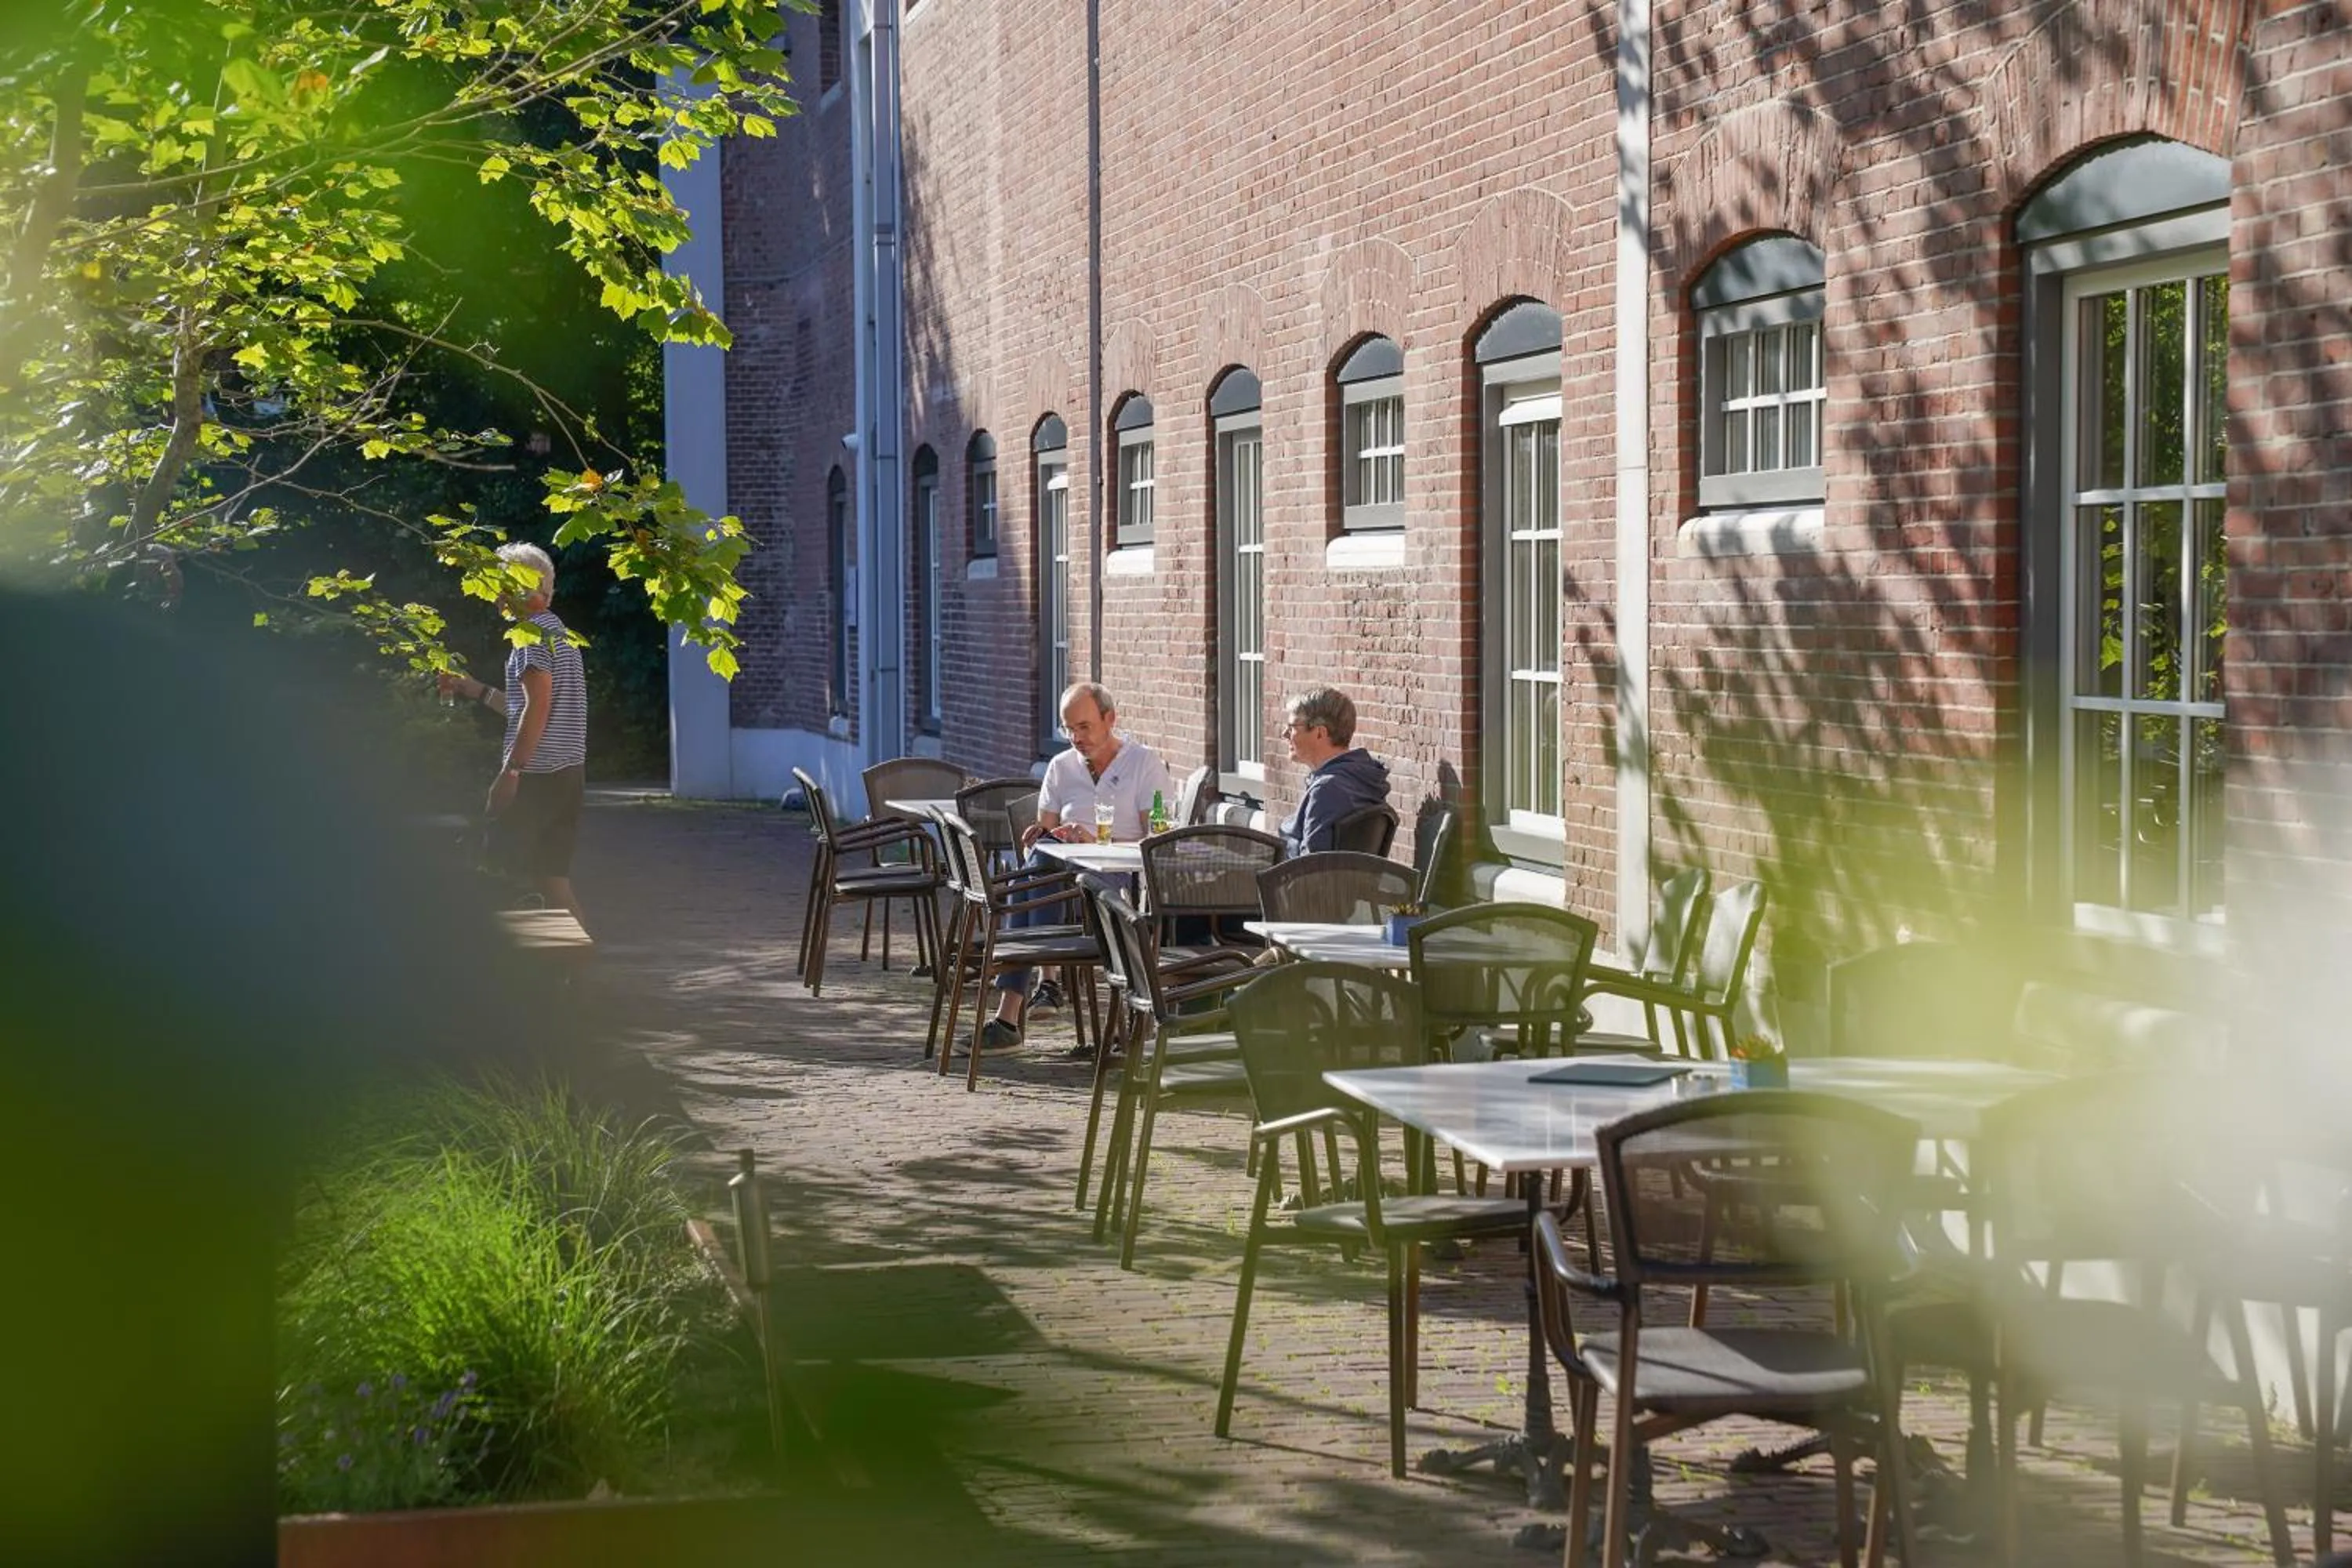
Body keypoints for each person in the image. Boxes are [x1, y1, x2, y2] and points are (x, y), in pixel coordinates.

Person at [980, 681, 1171, 1052]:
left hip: (1120, 879)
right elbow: (1047, 829)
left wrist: (1097, 843)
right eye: (1069, 729)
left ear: (1110, 719)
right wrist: (1044, 832)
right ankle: (1042, 987)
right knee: (1038, 860)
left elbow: (1156, 840)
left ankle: (1024, 1004)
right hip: (1063, 882)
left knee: (1036, 873)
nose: (1076, 737)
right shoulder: (1061, 767)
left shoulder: (1143, 763)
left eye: (1084, 727)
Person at [437, 542, 590, 918]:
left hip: (535, 777)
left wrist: (511, 772)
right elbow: (533, 707)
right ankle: (582, 971)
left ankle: (519, 974)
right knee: (552, 882)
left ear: (517, 587)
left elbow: (537, 707)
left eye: (497, 586)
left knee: (506, 880)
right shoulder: (561, 634)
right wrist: (476, 690)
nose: (494, 598)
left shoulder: (528, 638)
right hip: (569, 775)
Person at [1277, 686, 1392, 855]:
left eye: (1293, 727)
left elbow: (1310, 866)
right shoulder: (1360, 778)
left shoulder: (1328, 790)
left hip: (1304, 880)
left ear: (1320, 733)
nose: (1285, 734)